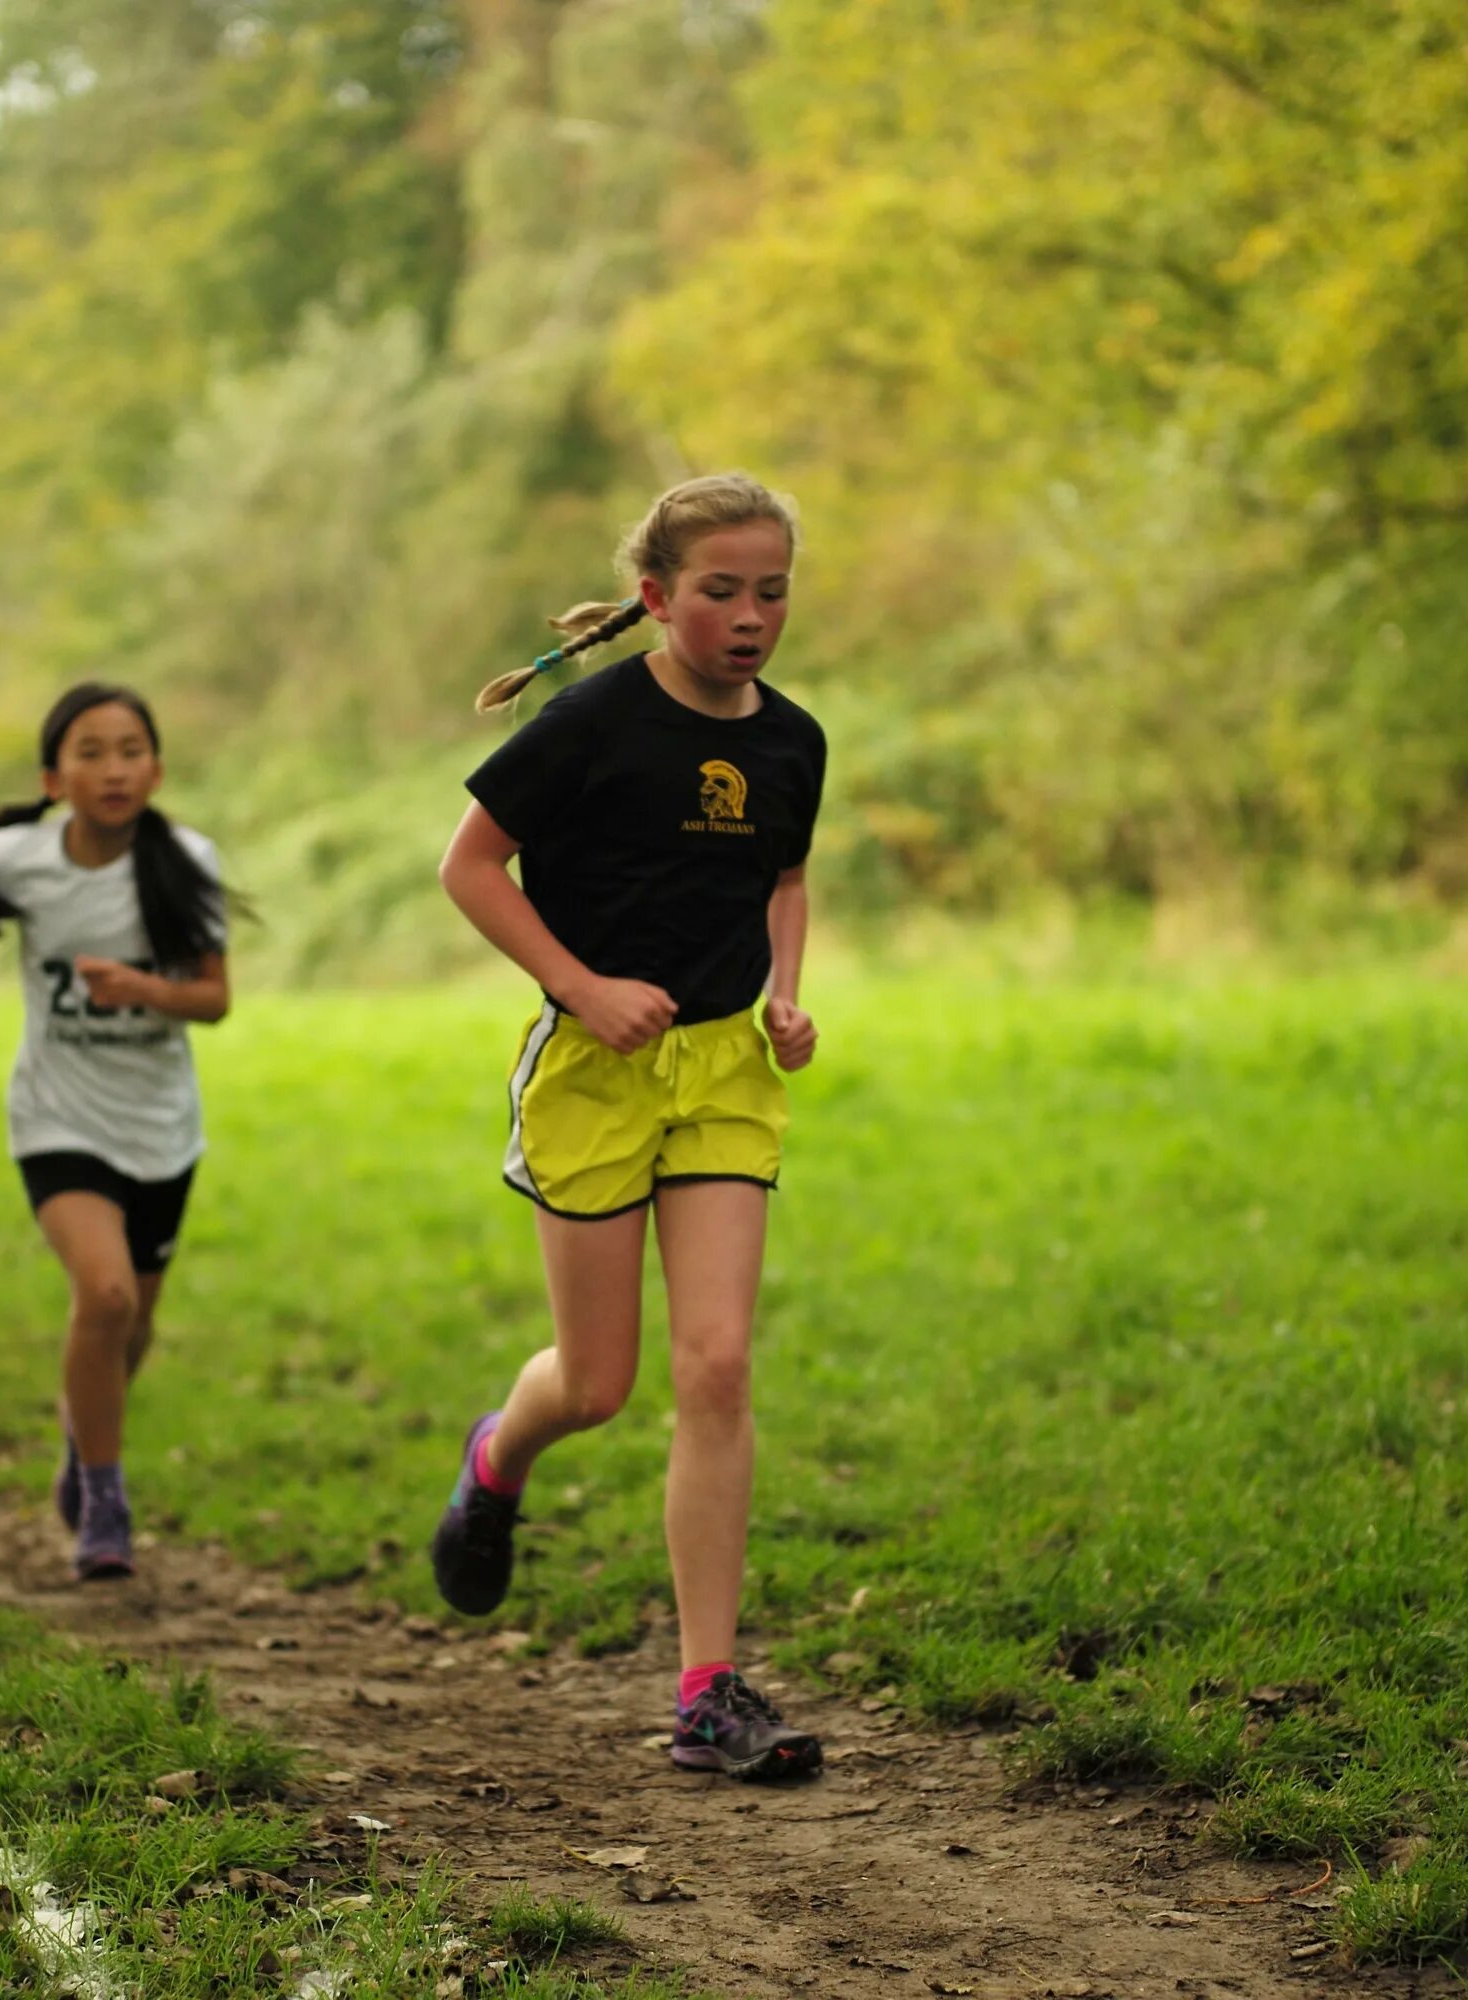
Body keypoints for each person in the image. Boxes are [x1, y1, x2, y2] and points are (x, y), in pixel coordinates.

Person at [429, 473, 830, 1780]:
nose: (750, 615)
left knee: (715, 1365)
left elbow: (782, 875)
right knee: (598, 1385)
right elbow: (469, 869)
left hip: (722, 1075)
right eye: (721, 591)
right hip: (596, 1076)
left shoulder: (795, 742)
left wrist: (783, 994)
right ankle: (499, 1458)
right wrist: (581, 988)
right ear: (657, 598)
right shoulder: (590, 723)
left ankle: (708, 1687)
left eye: (770, 591)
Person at [0, 683, 233, 1580]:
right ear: (54, 778)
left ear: (157, 770)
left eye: (130, 749)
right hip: (55, 1115)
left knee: (130, 1332)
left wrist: (148, 992)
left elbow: (215, 999)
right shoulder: (18, 855)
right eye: (90, 752)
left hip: (162, 1126)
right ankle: (103, 1497)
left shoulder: (185, 862)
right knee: (105, 1300)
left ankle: (79, 1435)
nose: (113, 768)